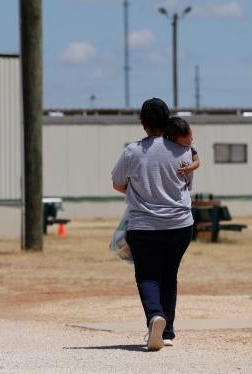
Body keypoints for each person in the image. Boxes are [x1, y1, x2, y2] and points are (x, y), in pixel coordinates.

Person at [111, 98, 194, 351]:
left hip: (143, 225)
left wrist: (135, 190)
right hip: (180, 224)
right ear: (167, 120)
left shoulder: (132, 151)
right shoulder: (183, 151)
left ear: (143, 123)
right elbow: (187, 185)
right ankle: (167, 333)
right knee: (170, 275)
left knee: (147, 275)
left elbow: (117, 183)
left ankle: (155, 316)